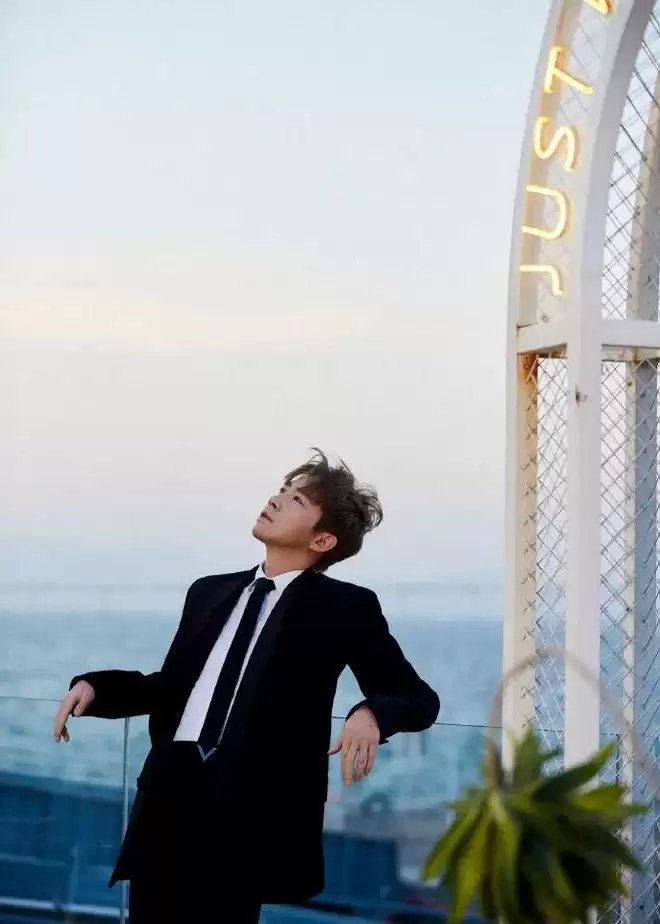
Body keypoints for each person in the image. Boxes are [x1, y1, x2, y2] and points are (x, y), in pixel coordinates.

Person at [53, 449, 440, 923]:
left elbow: (418, 697)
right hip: (168, 795)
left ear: (322, 539)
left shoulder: (345, 607)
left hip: (246, 811)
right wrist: (97, 688)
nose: (276, 500)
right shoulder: (208, 591)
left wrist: (372, 714)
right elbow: (174, 689)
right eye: (282, 490)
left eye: (296, 500)